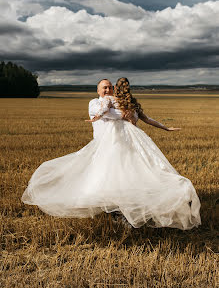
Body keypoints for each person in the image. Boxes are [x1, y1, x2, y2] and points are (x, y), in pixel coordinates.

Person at [21, 77, 201, 230]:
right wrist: (125, 114)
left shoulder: (120, 103)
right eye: (104, 87)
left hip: (126, 145)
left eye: (110, 87)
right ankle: (115, 211)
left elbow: (142, 117)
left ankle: (129, 211)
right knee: (105, 180)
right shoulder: (95, 103)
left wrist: (165, 127)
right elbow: (108, 115)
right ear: (98, 90)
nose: (108, 89)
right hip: (104, 147)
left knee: (133, 176)